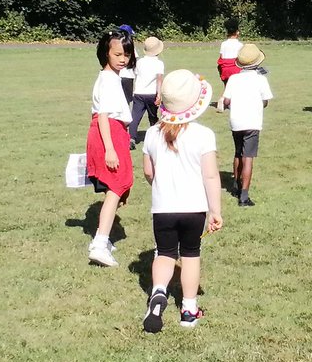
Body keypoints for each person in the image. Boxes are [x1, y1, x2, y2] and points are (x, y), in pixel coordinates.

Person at [140, 70, 223, 332]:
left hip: (162, 208)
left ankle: (159, 292)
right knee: (189, 255)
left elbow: (148, 172)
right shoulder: (203, 135)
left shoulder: (152, 134)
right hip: (194, 209)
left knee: (164, 253)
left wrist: (160, 186)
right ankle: (188, 309)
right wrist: (215, 210)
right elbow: (210, 176)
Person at [85, 30, 135, 268]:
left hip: (115, 132)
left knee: (115, 188)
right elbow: (102, 115)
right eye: (117, 54)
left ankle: (102, 239)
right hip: (109, 133)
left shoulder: (114, 77)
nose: (122, 59)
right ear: (106, 53)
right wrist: (110, 149)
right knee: (116, 186)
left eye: (126, 54)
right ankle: (99, 243)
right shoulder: (107, 78)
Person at [220, 43, 272, 207]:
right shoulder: (261, 79)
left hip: (236, 120)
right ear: (257, 62)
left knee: (237, 152)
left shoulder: (234, 79)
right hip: (252, 121)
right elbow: (265, 101)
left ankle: (235, 184)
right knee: (248, 157)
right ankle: (244, 196)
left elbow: (226, 100)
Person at [129, 36, 165, 145]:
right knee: (153, 116)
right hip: (151, 94)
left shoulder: (139, 62)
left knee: (135, 116)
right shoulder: (159, 63)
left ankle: (131, 138)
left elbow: (135, 74)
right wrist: (159, 94)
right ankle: (155, 137)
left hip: (139, 93)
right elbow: (159, 80)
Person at [216, 19, 243, 85]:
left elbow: (221, 58)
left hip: (225, 72)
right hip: (236, 72)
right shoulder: (240, 45)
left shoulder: (223, 44)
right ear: (237, 32)